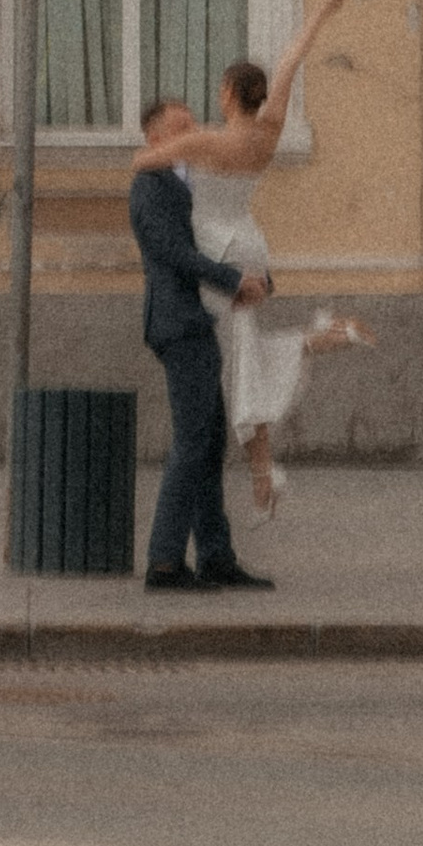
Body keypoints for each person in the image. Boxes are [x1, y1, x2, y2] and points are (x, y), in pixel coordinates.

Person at [132, 0, 374, 517]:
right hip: (251, 243)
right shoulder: (268, 132)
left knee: (240, 366)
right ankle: (326, 341)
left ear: (227, 93)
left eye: (218, 92)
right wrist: (322, 11)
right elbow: (291, 61)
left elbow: (146, 160)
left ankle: (266, 475)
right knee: (244, 357)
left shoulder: (211, 143)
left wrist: (161, 148)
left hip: (219, 251)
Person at [128, 101, 273, 594]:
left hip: (198, 321)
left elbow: (218, 237)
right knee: (193, 442)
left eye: (193, 125)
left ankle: (215, 556)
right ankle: (165, 561)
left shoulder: (191, 185)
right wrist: (234, 279)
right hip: (178, 323)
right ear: (155, 139)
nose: (194, 133)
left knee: (209, 444)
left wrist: (254, 274)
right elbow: (175, 253)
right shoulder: (152, 185)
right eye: (181, 128)